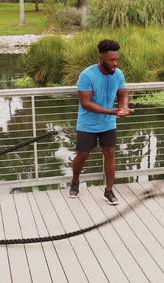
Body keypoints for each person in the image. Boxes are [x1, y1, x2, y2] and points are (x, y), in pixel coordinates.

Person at [69, 39, 133, 204]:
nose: (115, 63)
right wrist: (112, 111)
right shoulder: (87, 75)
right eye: (111, 60)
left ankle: (109, 190)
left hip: (108, 124)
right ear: (101, 58)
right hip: (87, 124)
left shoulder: (118, 74)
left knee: (110, 154)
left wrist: (123, 107)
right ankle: (75, 181)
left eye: (117, 59)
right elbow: (86, 103)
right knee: (82, 155)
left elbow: (123, 94)